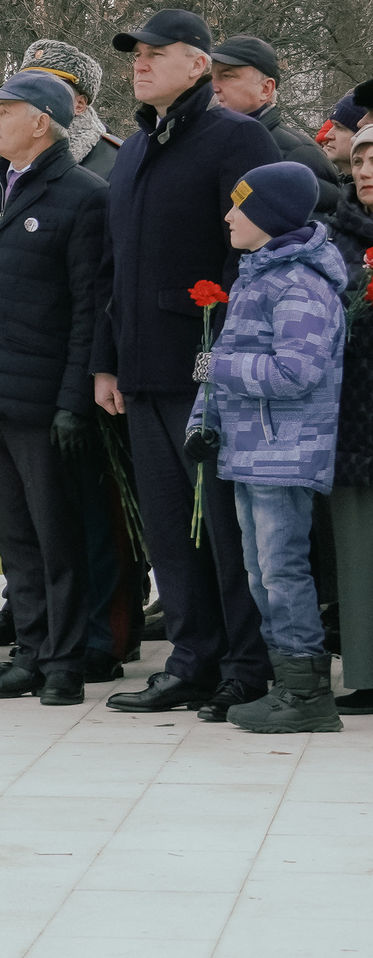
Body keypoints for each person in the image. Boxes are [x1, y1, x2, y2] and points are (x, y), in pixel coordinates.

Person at [95, 9, 282, 720]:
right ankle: (190, 659)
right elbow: (113, 265)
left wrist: (227, 350)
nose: (140, 63)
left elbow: (251, 252)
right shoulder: (136, 148)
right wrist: (105, 362)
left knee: (225, 530)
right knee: (172, 530)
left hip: (207, 367)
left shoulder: (237, 137)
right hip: (142, 369)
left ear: (198, 64)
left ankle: (245, 666)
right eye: (135, 55)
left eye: (155, 52)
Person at [0, 71, 110, 707]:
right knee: (16, 539)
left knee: (56, 538)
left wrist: (73, 402)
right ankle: (30, 652)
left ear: (41, 122)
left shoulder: (83, 196)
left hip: (43, 404)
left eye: (5, 110)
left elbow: (88, 309)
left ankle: (65, 661)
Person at [188, 161, 346, 733]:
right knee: (260, 574)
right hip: (252, 450)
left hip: (286, 453)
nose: (229, 216)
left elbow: (297, 371)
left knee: (282, 572)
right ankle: (288, 684)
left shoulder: (299, 284)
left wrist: (216, 366)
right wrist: (202, 421)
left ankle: (308, 696)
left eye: (241, 206)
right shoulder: (257, 276)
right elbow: (229, 362)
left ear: (272, 217)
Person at [331, 125, 373, 714]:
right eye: (360, 160)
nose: (365, 171)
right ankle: (366, 673)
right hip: (353, 419)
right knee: (358, 551)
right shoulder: (333, 238)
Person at [207, 36, 342, 214]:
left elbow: (312, 228)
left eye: (227, 76)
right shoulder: (199, 141)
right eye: (210, 77)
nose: (213, 87)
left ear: (265, 89)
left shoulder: (299, 155)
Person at [18, 39, 125, 179]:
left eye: (48, 88)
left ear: (79, 104)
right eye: (25, 86)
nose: (32, 95)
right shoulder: (7, 154)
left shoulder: (117, 161)